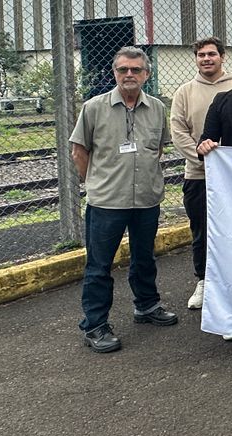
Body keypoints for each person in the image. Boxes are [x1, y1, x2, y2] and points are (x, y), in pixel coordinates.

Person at [70, 46, 177, 353]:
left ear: (146, 74)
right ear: (114, 73)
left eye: (135, 70)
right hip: (107, 201)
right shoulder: (94, 107)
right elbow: (80, 151)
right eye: (123, 70)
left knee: (144, 257)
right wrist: (95, 183)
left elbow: (157, 148)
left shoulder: (157, 107)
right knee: (99, 266)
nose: (129, 75)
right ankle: (95, 325)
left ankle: (146, 305)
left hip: (145, 199)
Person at [169, 36, 232, 311]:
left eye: (211, 54)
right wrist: (203, 158)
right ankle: (203, 280)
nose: (206, 59)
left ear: (223, 57)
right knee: (201, 230)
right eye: (201, 55)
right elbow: (178, 132)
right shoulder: (184, 92)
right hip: (199, 176)